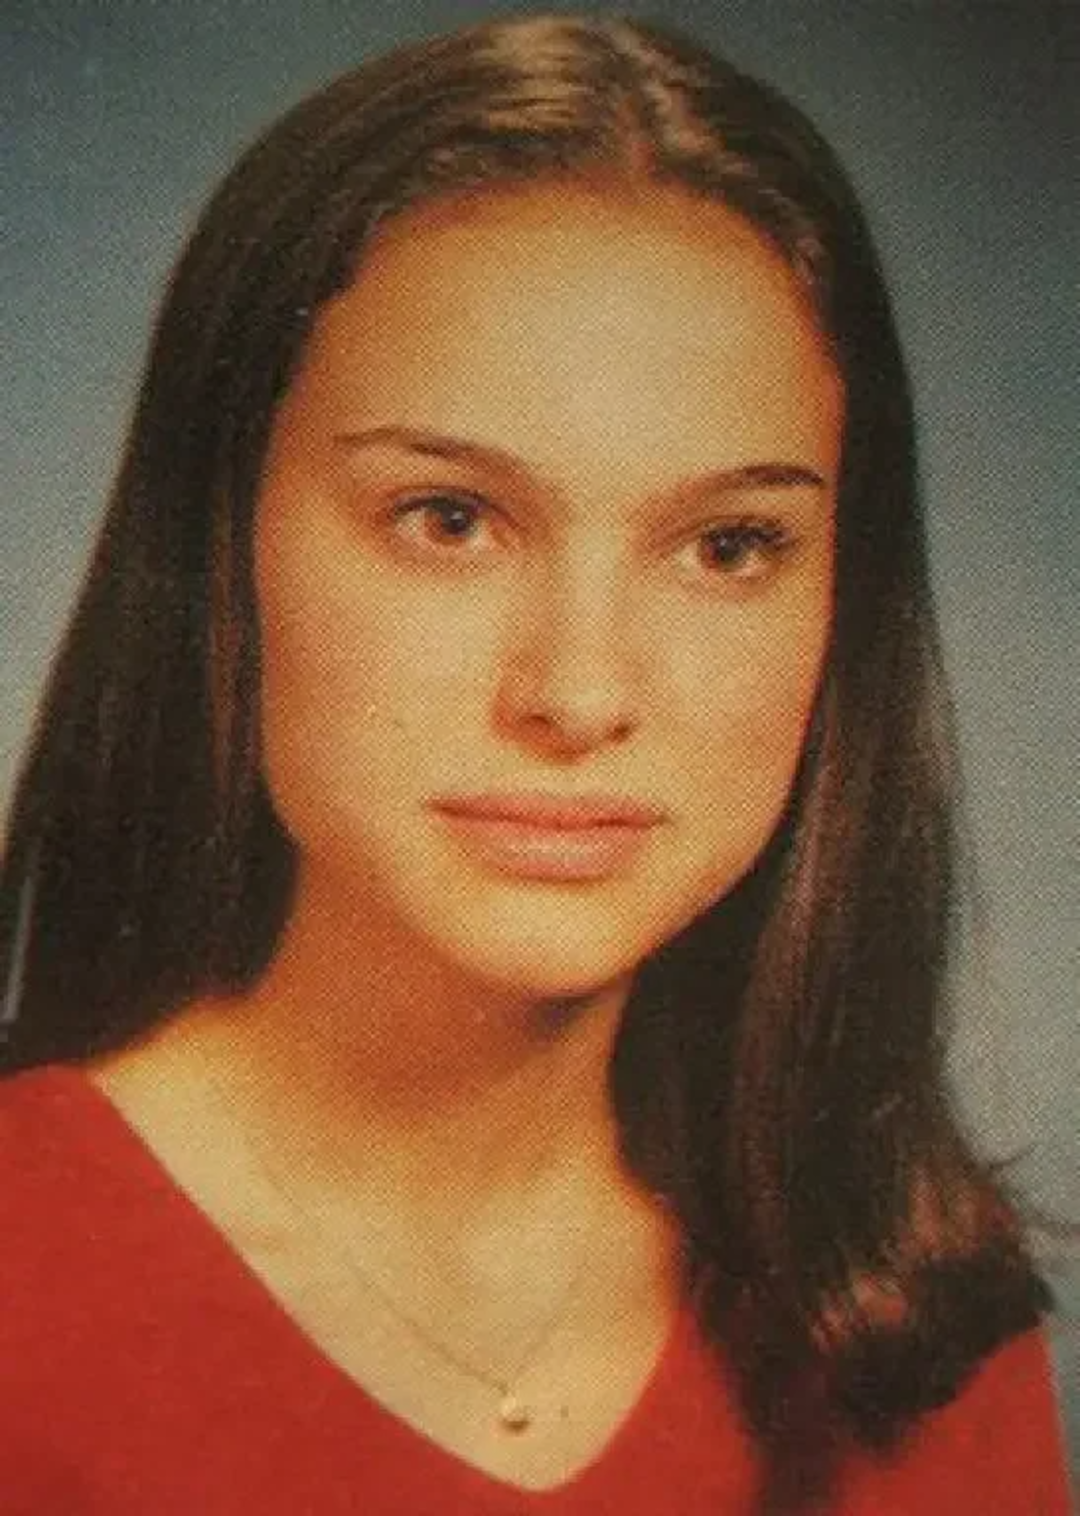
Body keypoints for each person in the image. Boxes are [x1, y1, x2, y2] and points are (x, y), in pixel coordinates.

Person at [0, 13, 1069, 1513]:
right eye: (449, 518)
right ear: (222, 550)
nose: (579, 692)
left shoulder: (910, 1318)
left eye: (726, 545)